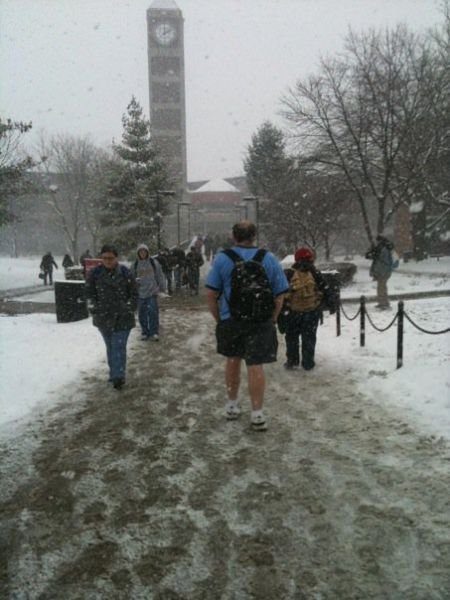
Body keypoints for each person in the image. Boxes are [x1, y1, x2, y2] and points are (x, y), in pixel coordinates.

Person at [205, 220, 289, 431]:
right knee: (255, 365)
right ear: (254, 236)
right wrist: (272, 318)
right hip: (260, 321)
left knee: (233, 360)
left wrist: (220, 319)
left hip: (232, 320)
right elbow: (280, 295)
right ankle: (257, 413)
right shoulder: (268, 258)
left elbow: (211, 294)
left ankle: (232, 405)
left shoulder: (223, 259)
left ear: (234, 236)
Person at [85, 244, 138, 390]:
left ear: (116, 258)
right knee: (110, 346)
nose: (108, 261)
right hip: (103, 317)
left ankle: (118, 376)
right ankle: (114, 372)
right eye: (105, 258)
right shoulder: (95, 274)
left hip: (123, 317)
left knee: (118, 346)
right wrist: (94, 308)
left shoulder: (125, 273)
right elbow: (89, 293)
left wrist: (129, 308)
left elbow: (134, 293)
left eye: (111, 258)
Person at [281, 247, 337, 371]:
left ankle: (292, 361)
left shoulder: (289, 273)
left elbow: (281, 293)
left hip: (293, 312)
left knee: (292, 338)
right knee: (309, 338)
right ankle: (308, 363)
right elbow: (325, 288)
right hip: (311, 311)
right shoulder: (315, 273)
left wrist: (282, 311)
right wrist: (331, 303)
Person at [132, 243, 165, 341]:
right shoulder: (135, 265)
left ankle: (154, 332)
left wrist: (162, 287)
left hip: (152, 292)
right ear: (138, 253)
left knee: (153, 313)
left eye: (144, 251)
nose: (142, 253)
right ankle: (145, 332)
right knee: (142, 314)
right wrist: (135, 283)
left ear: (147, 252)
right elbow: (131, 278)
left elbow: (160, 275)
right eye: (140, 252)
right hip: (140, 293)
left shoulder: (153, 263)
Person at [365, 235, 395, 309]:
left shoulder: (382, 249)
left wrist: (378, 273)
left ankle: (383, 303)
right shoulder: (383, 248)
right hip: (385, 271)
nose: (376, 242)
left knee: (381, 287)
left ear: (380, 241)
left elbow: (380, 261)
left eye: (377, 241)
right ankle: (383, 302)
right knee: (382, 287)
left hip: (383, 272)